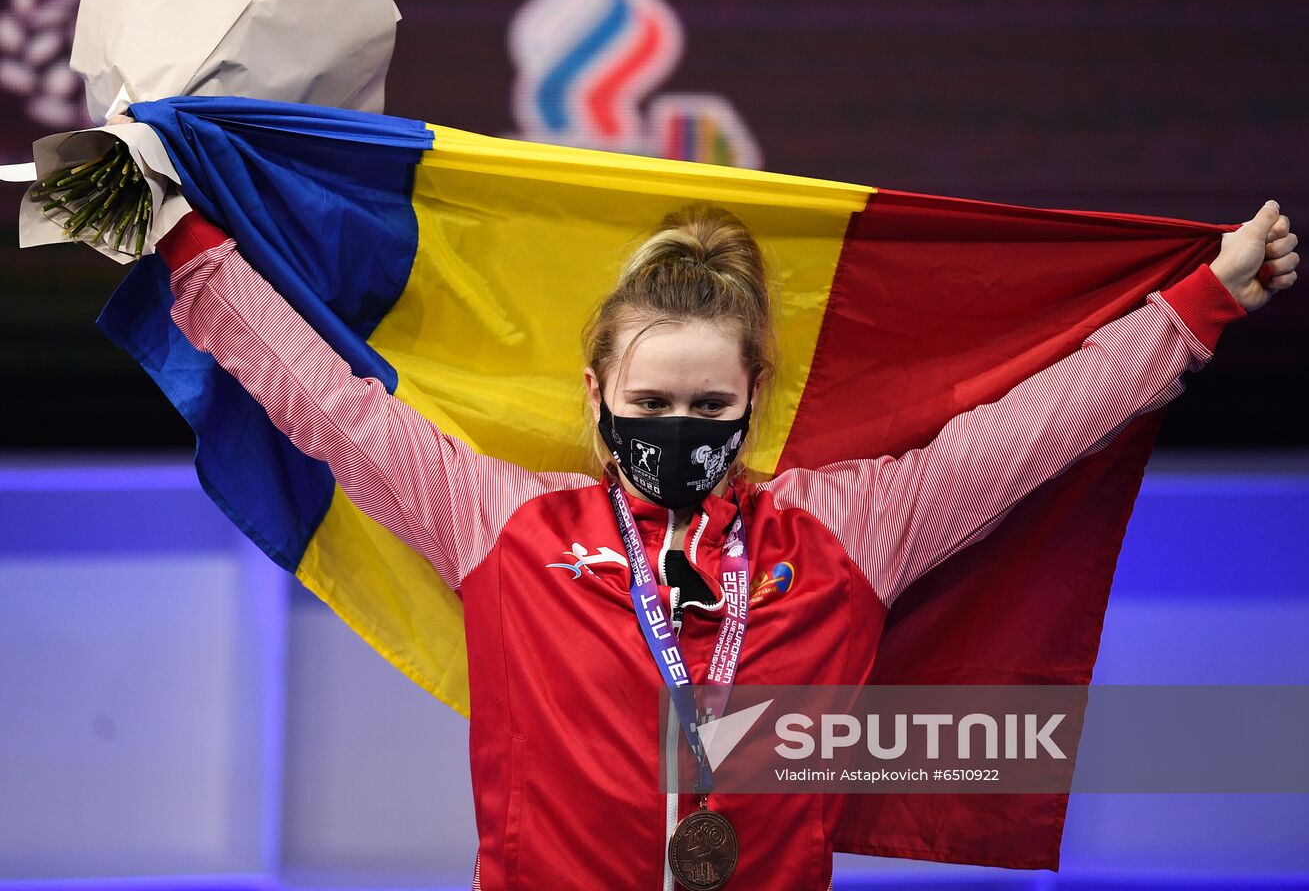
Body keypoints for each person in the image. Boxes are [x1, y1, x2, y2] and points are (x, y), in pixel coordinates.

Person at [148, 194, 1294, 891]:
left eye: (708, 409)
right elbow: (330, 403)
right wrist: (186, 245)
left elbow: (1031, 433)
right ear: (596, 396)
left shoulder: (850, 528)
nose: (678, 430)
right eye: (653, 402)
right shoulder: (499, 521)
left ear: (754, 399)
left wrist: (1197, 306)